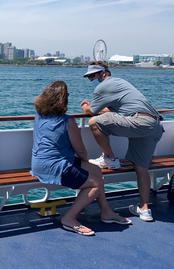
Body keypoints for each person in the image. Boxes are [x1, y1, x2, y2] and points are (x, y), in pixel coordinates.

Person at [31, 81, 130, 236]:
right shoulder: (67, 121)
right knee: (95, 184)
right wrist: (84, 159)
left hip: (39, 163)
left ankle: (106, 212)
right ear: (63, 100)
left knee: (96, 170)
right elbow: (81, 150)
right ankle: (69, 218)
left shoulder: (39, 115)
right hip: (55, 166)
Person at [80, 61, 164, 222]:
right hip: (154, 125)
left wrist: (85, 106)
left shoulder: (102, 87)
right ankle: (144, 209)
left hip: (138, 122)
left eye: (93, 75)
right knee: (141, 167)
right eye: (89, 77)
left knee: (94, 122)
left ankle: (110, 159)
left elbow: (92, 112)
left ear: (103, 73)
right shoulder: (121, 83)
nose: (91, 79)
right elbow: (114, 110)